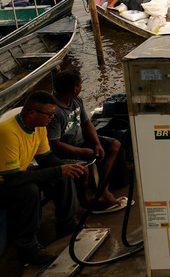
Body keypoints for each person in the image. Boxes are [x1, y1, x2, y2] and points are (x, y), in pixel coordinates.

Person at [0, 92, 86, 266]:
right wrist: (59, 170)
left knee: (63, 175)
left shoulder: (39, 127)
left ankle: (67, 225)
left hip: (9, 177)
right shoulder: (8, 133)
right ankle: (28, 248)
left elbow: (46, 159)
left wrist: (68, 167)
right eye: (49, 114)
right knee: (28, 191)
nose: (52, 117)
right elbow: (13, 180)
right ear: (32, 113)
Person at [49, 69, 125, 213]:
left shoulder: (76, 100)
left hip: (81, 142)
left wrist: (96, 143)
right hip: (64, 150)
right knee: (83, 169)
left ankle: (103, 191)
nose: (82, 86)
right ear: (74, 88)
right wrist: (82, 151)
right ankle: (85, 201)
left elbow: (86, 123)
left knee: (114, 145)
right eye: (80, 84)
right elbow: (55, 144)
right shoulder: (54, 111)